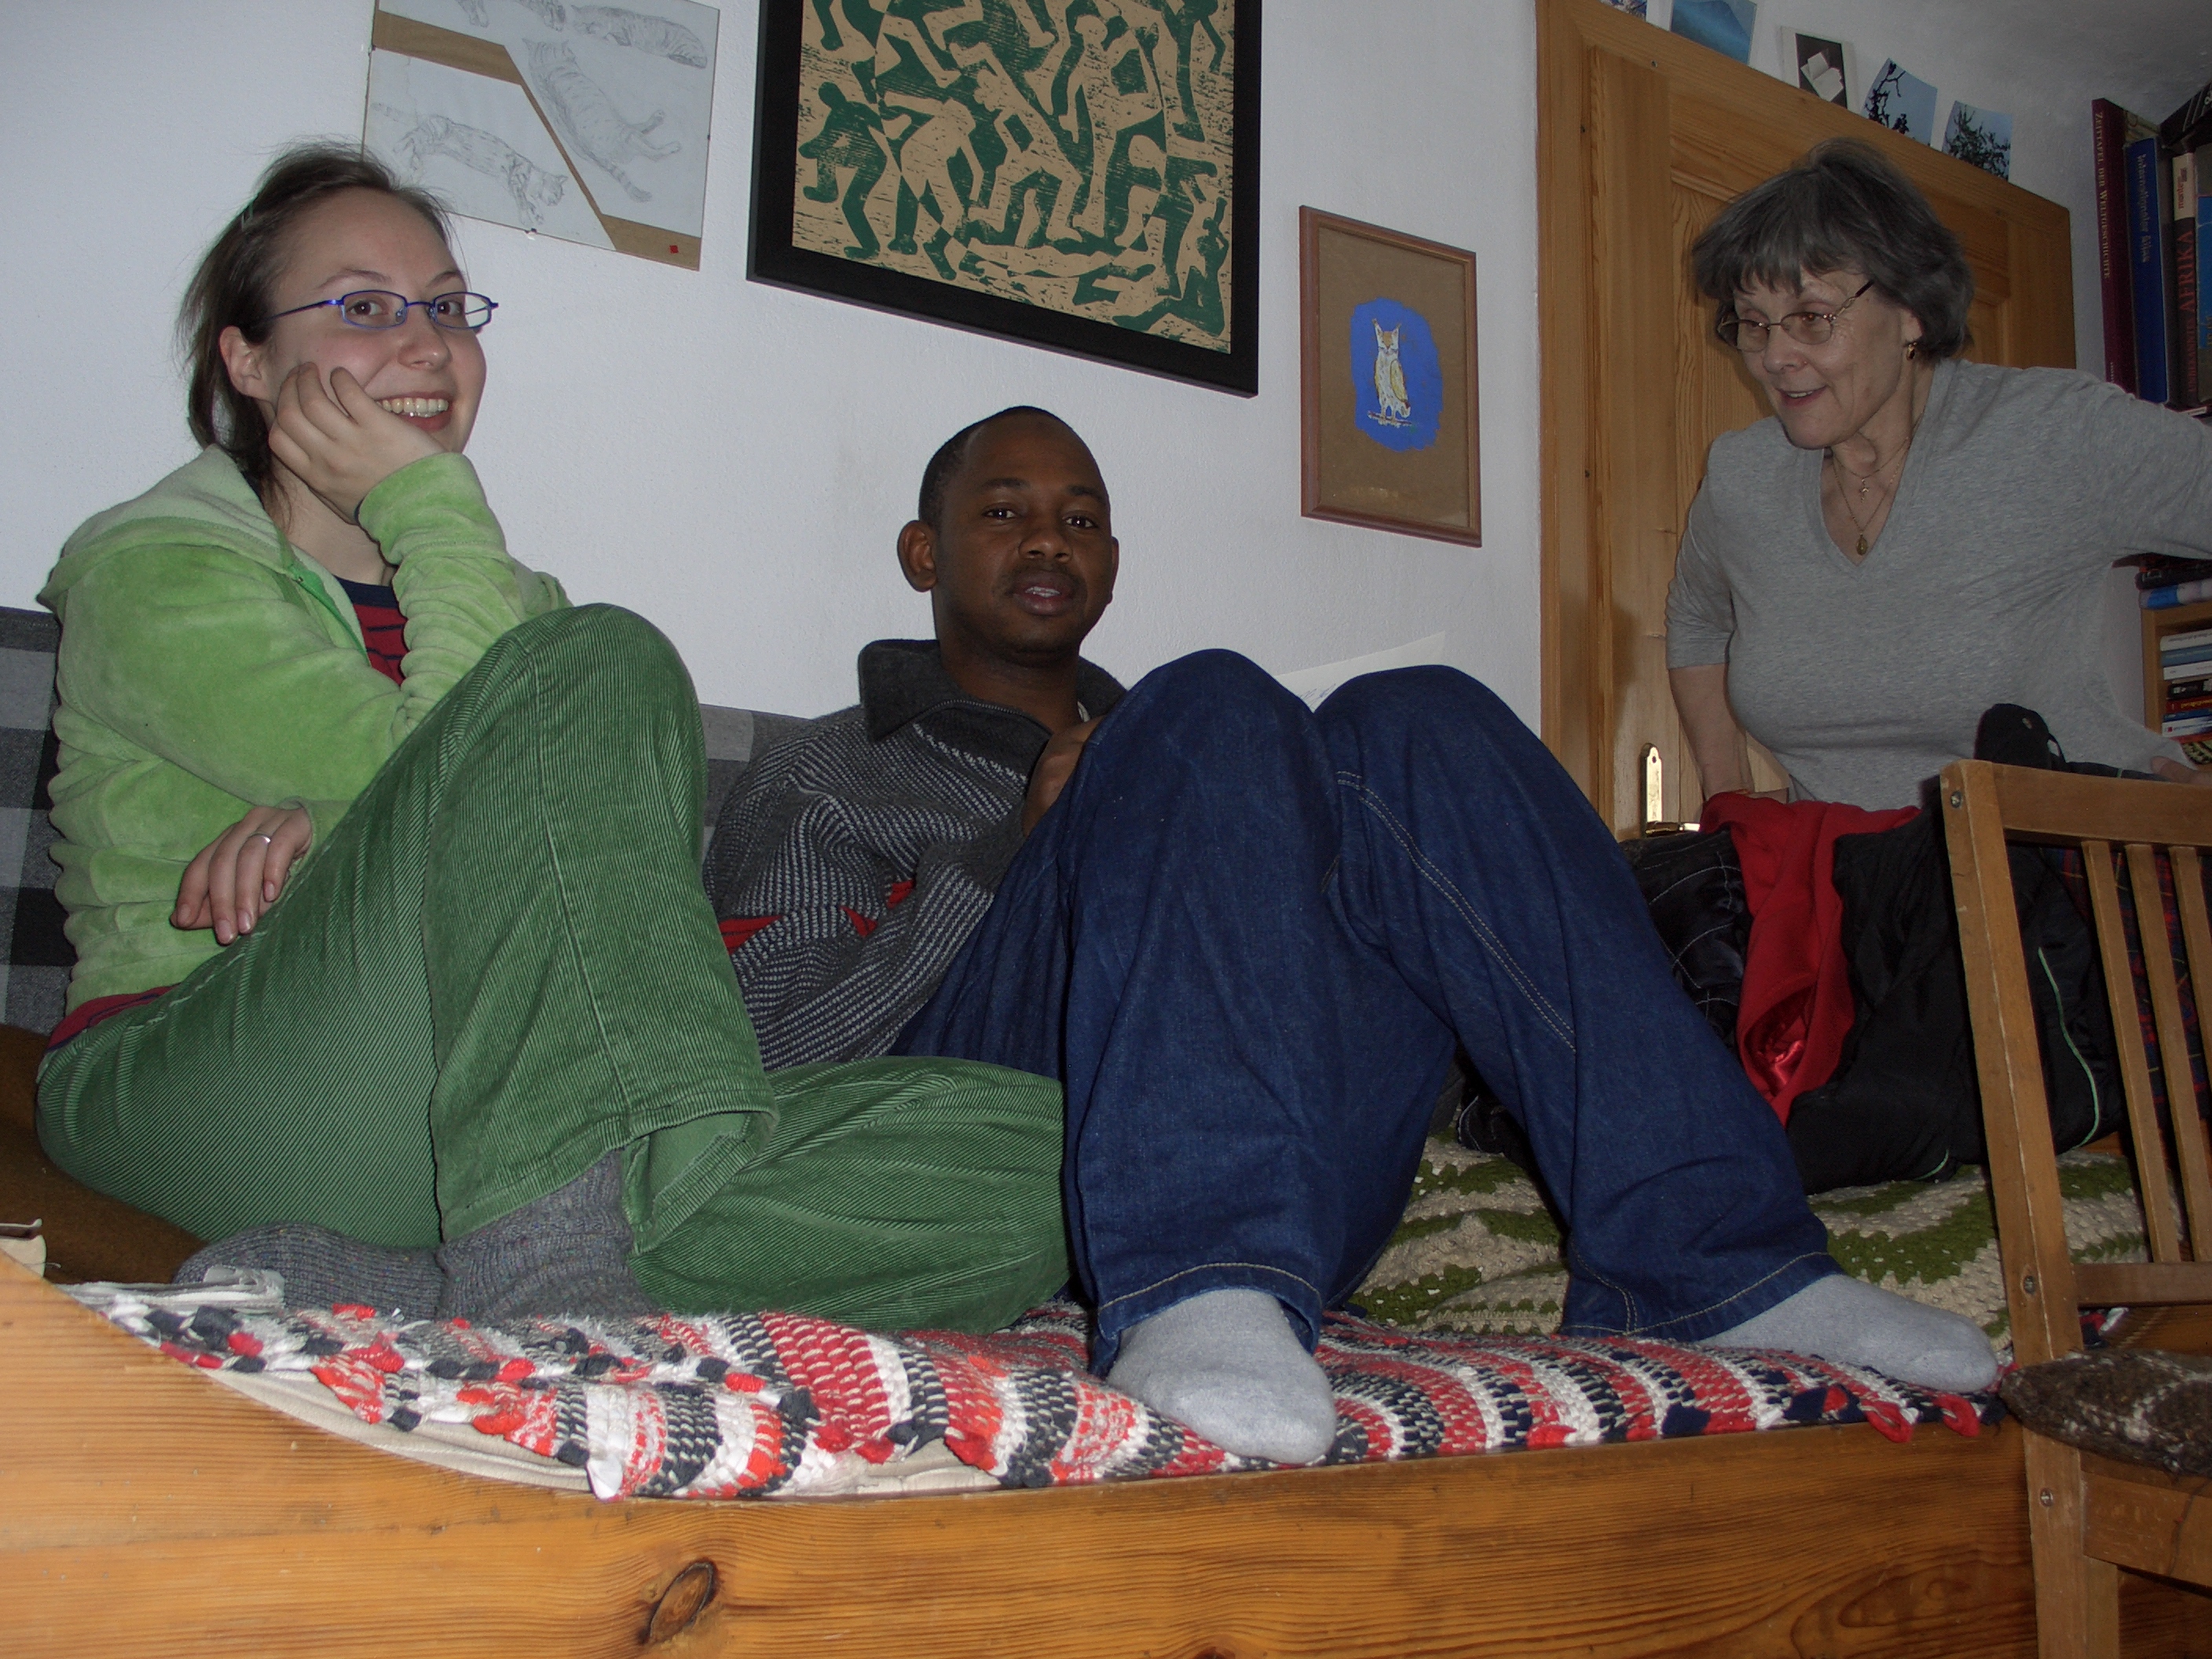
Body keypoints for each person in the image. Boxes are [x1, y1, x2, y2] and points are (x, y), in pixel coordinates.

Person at [709, 404, 2000, 1465]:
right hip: (966, 1159)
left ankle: (1716, 1260)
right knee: (1211, 699)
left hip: (1294, 1179)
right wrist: (1009, 851)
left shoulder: (1197, 761)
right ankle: (1193, 1278)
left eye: (1083, 518)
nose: (1051, 536)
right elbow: (772, 1055)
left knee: (1417, 715)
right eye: (1004, 511)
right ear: (923, 550)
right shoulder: (827, 772)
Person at [37, 144, 1074, 1341]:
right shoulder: (155, 567)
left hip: (477, 1120)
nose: (427, 346)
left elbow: (577, 895)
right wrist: (430, 503)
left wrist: (330, 826)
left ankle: (417, 1282)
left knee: (1049, 1159)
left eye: (446, 308)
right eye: (366, 309)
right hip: (205, 1072)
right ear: (248, 359)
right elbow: (453, 790)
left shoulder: (517, 611)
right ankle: (552, 1288)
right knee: (605, 656)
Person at [1668, 139, 2212, 813]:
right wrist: (1731, 807)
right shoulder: (1741, 478)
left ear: (1911, 312)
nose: (1775, 356)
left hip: (2066, 865)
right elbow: (1696, 620)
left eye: (1811, 318)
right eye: (1754, 324)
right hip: (1856, 874)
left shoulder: (2054, 432)